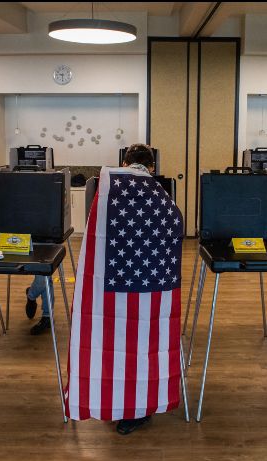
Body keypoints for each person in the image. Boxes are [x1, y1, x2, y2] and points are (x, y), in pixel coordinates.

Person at [63, 143, 184, 436]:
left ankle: (111, 399)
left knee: (111, 343)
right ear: (151, 167)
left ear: (125, 161)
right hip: (152, 283)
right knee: (145, 344)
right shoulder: (160, 195)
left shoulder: (106, 188)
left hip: (111, 282)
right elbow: (177, 227)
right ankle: (141, 405)